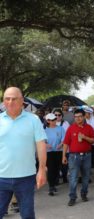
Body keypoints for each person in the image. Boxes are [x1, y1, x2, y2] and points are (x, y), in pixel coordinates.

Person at [0, 87, 47, 219]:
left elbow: (41, 146)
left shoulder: (33, 120)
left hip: (26, 177)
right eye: (7, 99)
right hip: (1, 177)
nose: (10, 102)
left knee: (27, 215)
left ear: (22, 101)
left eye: (14, 99)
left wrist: (42, 170)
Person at [62, 109, 94, 206]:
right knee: (73, 178)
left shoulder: (89, 128)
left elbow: (93, 141)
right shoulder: (71, 128)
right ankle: (72, 197)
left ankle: (84, 194)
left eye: (80, 116)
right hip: (74, 156)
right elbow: (65, 143)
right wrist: (63, 156)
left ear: (84, 116)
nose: (78, 118)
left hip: (87, 155)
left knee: (86, 177)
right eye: (76, 117)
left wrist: (85, 137)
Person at [44, 113, 66, 196]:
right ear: (48, 121)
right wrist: (46, 145)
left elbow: (64, 139)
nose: (54, 120)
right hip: (49, 152)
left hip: (59, 151)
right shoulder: (45, 130)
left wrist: (60, 144)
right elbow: (42, 141)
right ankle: (51, 186)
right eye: (52, 120)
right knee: (51, 169)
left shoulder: (60, 129)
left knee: (57, 169)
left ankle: (54, 183)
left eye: (55, 119)